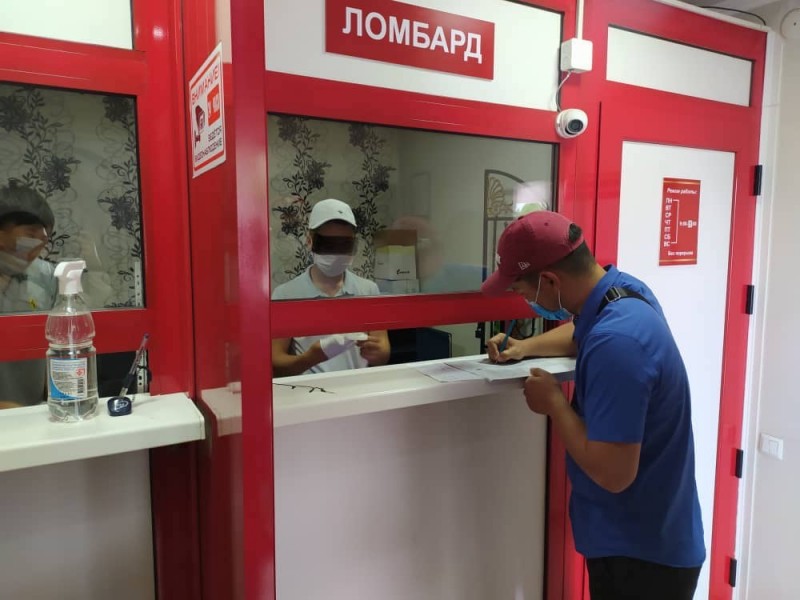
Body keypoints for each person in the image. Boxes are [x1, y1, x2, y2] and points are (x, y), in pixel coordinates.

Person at [481, 210, 704, 599]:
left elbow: (614, 473)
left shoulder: (617, 344)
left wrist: (555, 404)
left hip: (641, 557)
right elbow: (581, 330)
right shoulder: (623, 294)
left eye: (523, 291)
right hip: (652, 538)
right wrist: (525, 347)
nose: (525, 301)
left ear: (550, 280)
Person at [271, 198, 390, 377]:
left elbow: (383, 352)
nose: (336, 253)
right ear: (309, 241)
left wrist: (378, 353)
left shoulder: (368, 290)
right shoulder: (285, 294)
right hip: (310, 391)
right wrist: (311, 358)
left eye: (344, 245)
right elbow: (275, 364)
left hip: (359, 388)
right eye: (328, 244)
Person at [0, 179, 57, 409]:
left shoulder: (46, 276)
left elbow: (56, 345)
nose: (35, 248)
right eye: (29, 234)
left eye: (43, 239)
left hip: (35, 412)